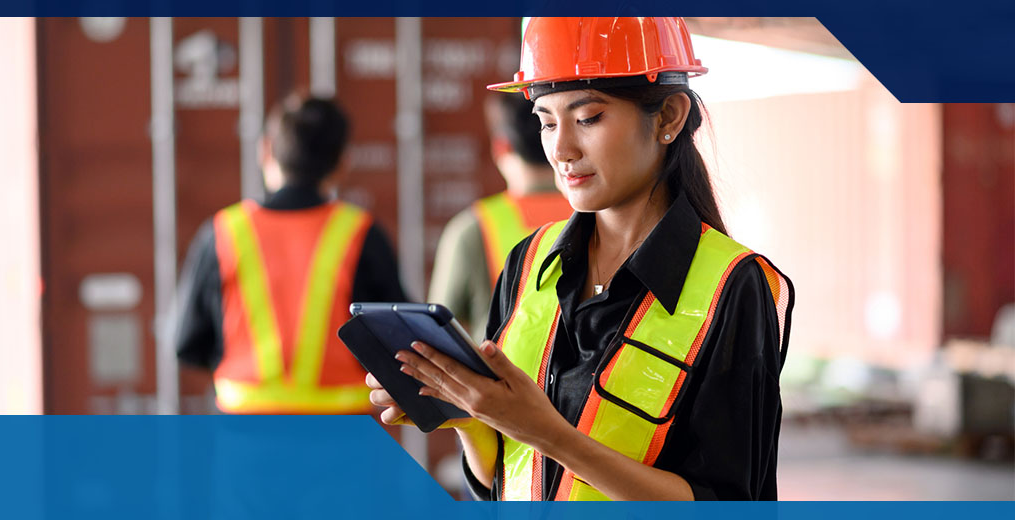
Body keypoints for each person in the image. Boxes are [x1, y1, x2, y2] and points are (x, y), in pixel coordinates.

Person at [367, 17, 794, 500]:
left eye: (588, 118)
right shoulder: (529, 263)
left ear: (670, 117)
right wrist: (467, 412)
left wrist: (549, 435)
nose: (562, 149)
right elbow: (502, 484)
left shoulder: (733, 286)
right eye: (547, 122)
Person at [176, 94, 407, 414]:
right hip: (340, 432)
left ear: (266, 150)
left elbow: (186, 344)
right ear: (343, 162)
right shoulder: (362, 233)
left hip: (245, 431)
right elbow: (399, 340)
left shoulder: (223, 231)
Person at [428, 92, 573, 339]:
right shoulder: (600, 216)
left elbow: (437, 333)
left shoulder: (473, 228)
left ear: (501, 146)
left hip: (497, 375)